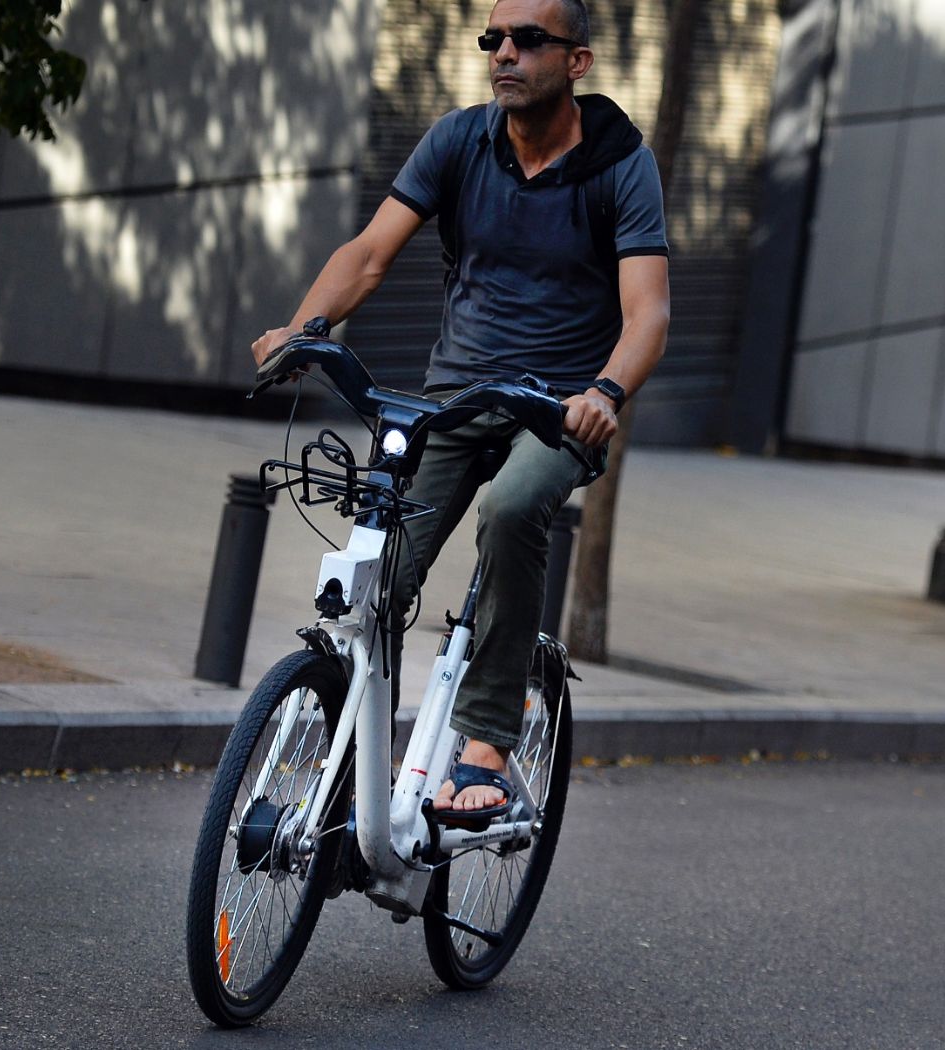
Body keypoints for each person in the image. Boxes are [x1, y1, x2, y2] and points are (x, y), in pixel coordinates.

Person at [250, 0, 669, 824]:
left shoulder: (622, 166)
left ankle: (485, 744)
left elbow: (647, 312)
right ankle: (345, 764)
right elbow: (370, 255)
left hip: (558, 410)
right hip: (453, 396)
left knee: (513, 509)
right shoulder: (458, 141)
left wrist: (604, 393)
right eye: (494, 39)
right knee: (378, 572)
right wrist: (304, 330)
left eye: (528, 40)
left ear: (576, 63)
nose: (504, 53)